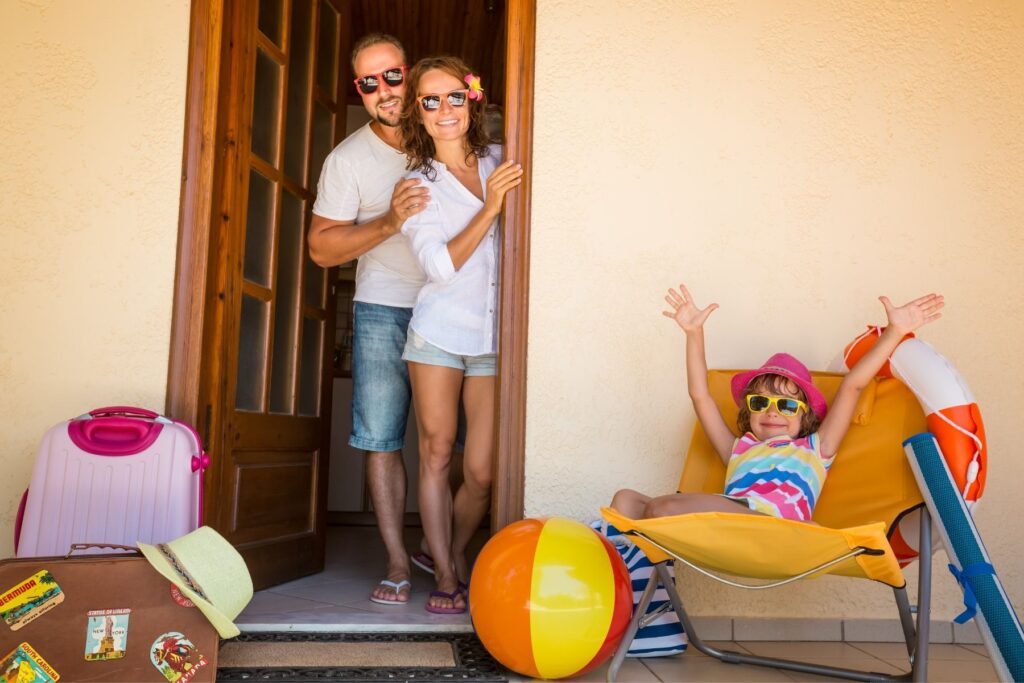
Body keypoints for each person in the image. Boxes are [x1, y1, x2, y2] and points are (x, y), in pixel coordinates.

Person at [611, 283, 944, 522]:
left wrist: (895, 331)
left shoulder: (817, 448)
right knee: (624, 501)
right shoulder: (738, 449)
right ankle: (646, 584)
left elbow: (853, 386)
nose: (772, 411)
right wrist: (693, 334)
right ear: (749, 412)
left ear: (805, 418)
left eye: (787, 406)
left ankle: (660, 557)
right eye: (760, 402)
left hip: (774, 528)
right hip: (731, 522)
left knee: (661, 510)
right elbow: (700, 396)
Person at [397, 56, 523, 614]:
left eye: (454, 96)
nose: (444, 109)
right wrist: (492, 205)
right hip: (439, 334)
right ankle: (447, 574)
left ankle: (443, 544)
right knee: (436, 453)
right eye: (430, 101)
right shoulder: (416, 186)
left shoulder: (502, 160)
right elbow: (440, 268)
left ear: (472, 100)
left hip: (495, 337)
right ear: (419, 115)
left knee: (482, 472)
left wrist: (498, 190)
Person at [307, 33, 430, 606]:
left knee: (450, 442)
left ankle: (441, 550)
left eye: (392, 76)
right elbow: (322, 249)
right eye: (368, 82)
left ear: (411, 73)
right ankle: (398, 562)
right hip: (382, 305)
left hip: (450, 305)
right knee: (382, 439)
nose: (383, 90)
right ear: (358, 89)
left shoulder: (448, 127)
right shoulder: (348, 159)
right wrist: (387, 222)